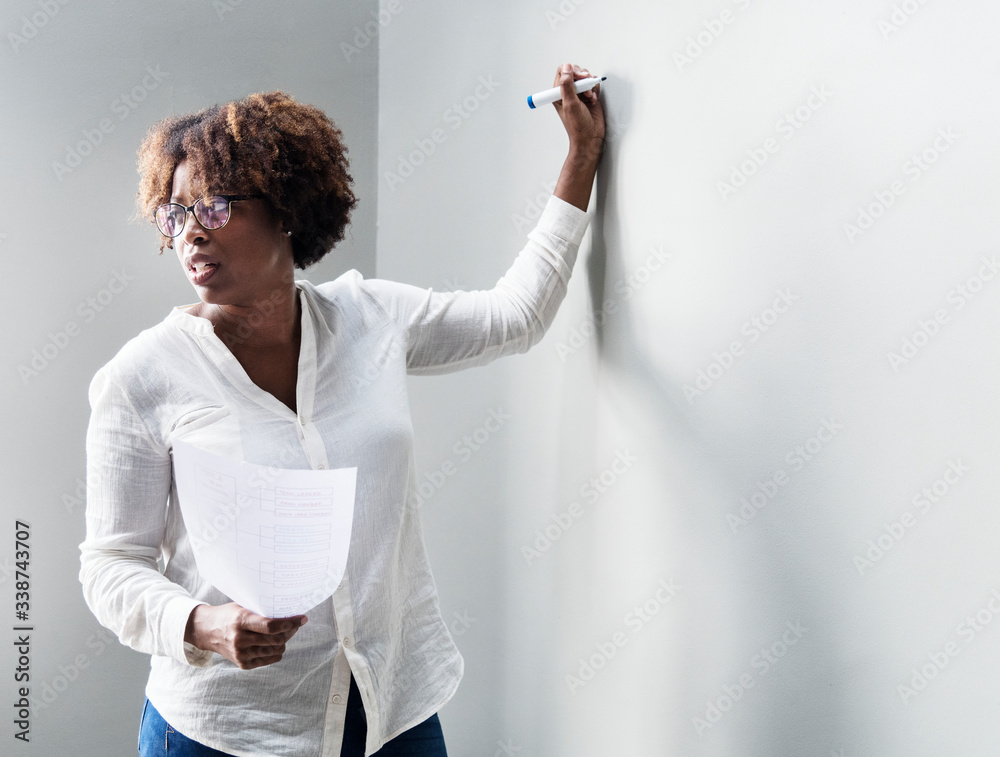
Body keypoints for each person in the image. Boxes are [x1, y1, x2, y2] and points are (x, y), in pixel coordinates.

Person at [79, 62, 604, 757]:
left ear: (287, 208)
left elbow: (516, 317)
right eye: (175, 214)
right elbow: (110, 565)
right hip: (227, 731)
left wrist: (581, 158)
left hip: (393, 714)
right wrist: (203, 623)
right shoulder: (142, 377)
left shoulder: (371, 316)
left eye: (214, 206)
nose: (190, 234)